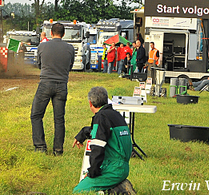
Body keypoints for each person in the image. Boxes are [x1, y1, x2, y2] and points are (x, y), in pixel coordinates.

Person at [72, 86, 134, 194]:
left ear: (90, 103)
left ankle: (114, 191)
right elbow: (101, 132)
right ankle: (119, 186)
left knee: (79, 191)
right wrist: (82, 134)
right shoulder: (115, 115)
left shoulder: (100, 117)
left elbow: (97, 149)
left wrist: (92, 173)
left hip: (114, 168)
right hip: (122, 167)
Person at [31, 22, 75, 156]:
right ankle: (58, 150)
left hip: (45, 83)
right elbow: (70, 66)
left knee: (36, 115)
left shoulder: (42, 46)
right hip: (62, 84)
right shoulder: (70, 48)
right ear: (63, 34)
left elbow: (39, 64)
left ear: (51, 33)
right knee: (59, 119)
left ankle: (40, 147)